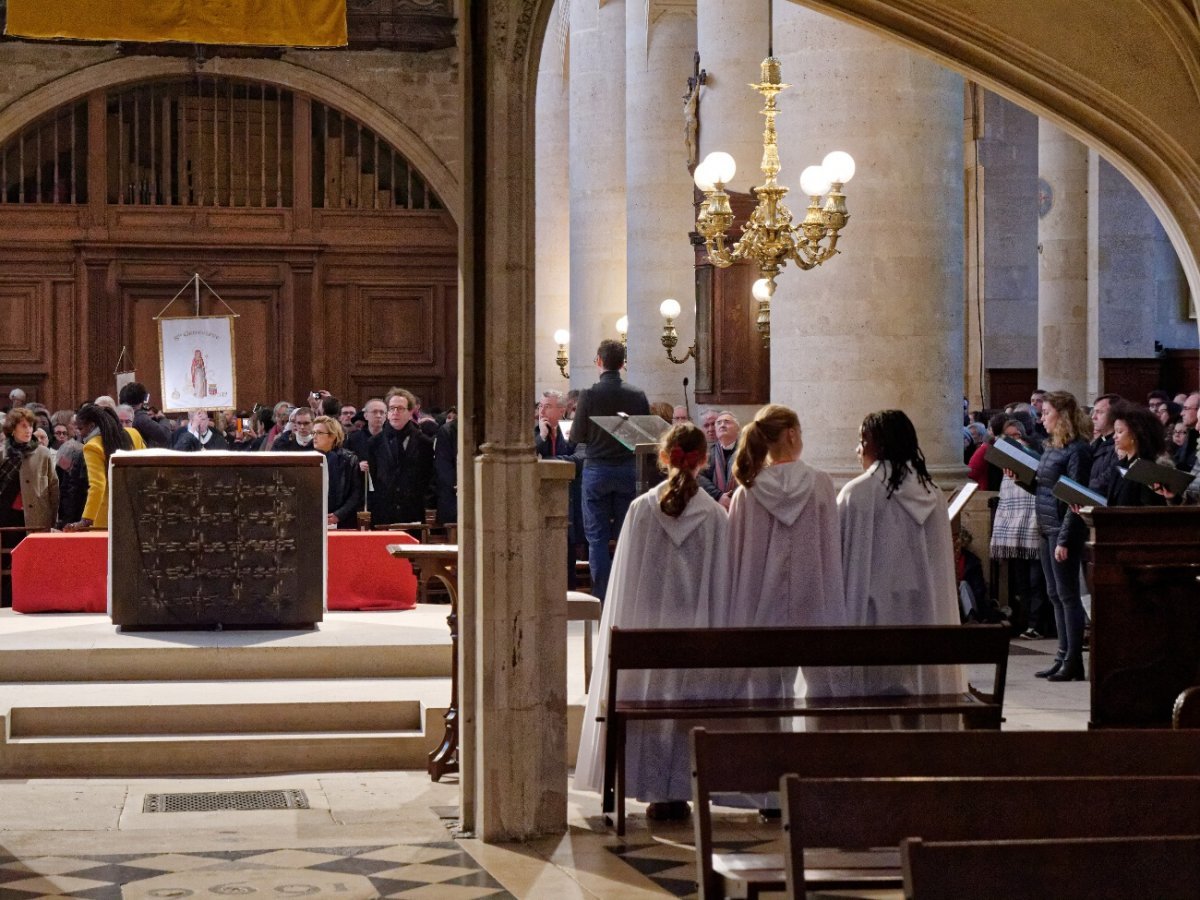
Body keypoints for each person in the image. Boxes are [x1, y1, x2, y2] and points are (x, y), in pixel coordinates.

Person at [574, 423, 729, 820]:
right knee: (684, 701)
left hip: (643, 636)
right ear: (704, 461)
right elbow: (721, 585)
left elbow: (623, 580)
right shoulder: (713, 516)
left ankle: (645, 782)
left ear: (664, 458)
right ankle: (680, 788)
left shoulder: (642, 509)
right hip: (694, 636)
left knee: (647, 694)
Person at [836, 410, 964, 702]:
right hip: (925, 612)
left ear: (878, 444)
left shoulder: (858, 493)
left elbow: (839, 561)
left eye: (862, 440)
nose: (858, 450)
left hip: (872, 619)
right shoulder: (932, 493)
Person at [727, 404, 845, 702]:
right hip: (815, 603)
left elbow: (736, 558)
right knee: (823, 693)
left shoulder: (748, 491)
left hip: (761, 609)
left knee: (765, 696)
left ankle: (768, 747)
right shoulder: (820, 483)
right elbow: (832, 548)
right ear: (792, 434)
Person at [572, 339, 650, 601]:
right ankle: (626, 598)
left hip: (597, 470)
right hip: (629, 470)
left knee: (597, 540)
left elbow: (576, 436)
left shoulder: (589, 394)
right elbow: (645, 434)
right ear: (623, 363)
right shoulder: (637, 395)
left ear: (599, 361)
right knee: (626, 537)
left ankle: (602, 599)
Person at [1030, 390, 1093, 682]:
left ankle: (1073, 661)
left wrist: (1066, 538)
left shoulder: (1077, 450)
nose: (1041, 418)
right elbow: (1044, 488)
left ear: (1063, 415)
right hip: (1046, 526)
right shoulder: (1052, 446)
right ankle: (1060, 655)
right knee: (1055, 594)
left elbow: (1074, 497)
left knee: (1068, 596)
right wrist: (1017, 478)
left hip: (1062, 528)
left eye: (1046, 413)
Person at [0, 409, 59, 603]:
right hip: (7, 518)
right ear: (12, 429)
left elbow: (53, 486)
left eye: (30, 426)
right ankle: (6, 599)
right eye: (23, 426)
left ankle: (30, 598)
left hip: (35, 518)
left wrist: (51, 519)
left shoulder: (42, 453)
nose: (28, 430)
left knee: (32, 562)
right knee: (5, 561)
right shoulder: (3, 452)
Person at [366, 388, 435, 527]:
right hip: (383, 512)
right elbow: (373, 477)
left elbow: (428, 476)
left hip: (413, 511)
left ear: (410, 413)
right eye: (392, 408)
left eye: (400, 408)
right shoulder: (375, 442)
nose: (395, 412)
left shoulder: (424, 442)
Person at [64, 404, 132, 531]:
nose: (79, 432)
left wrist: (86, 520)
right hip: (132, 511)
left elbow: (97, 485)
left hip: (105, 517)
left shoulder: (92, 446)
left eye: (80, 428)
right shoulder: (132, 434)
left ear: (91, 426)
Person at [1106, 402, 1169, 508]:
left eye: (1119, 432)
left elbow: (1151, 509)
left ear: (1135, 434)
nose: (1114, 437)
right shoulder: (1119, 465)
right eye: (1115, 431)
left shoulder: (1147, 469)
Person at [312, 416, 363, 528]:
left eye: (319, 433)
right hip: (314, 519)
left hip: (342, 521)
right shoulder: (309, 459)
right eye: (313, 432)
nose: (314, 437)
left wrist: (339, 514)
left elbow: (356, 493)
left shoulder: (349, 459)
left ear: (332, 436)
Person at [117, 381, 170, 448]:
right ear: (142, 400)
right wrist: (162, 418)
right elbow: (165, 435)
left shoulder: (117, 414)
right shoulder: (140, 418)